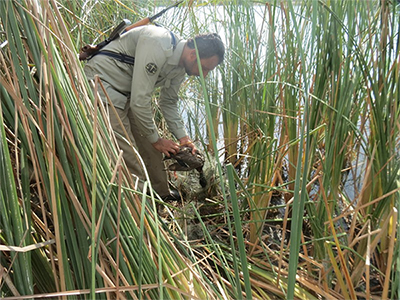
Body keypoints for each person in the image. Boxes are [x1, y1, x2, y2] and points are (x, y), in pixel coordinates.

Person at [84, 25, 225, 200]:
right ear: (193, 55)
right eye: (205, 68)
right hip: (102, 85)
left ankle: (161, 195)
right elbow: (139, 100)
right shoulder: (158, 43)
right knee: (129, 154)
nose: (203, 75)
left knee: (152, 150)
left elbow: (169, 103)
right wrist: (157, 140)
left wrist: (183, 138)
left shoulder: (181, 66)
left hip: (126, 95)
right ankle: (142, 207)